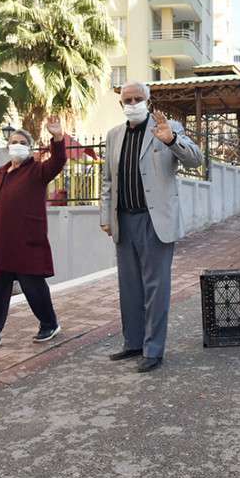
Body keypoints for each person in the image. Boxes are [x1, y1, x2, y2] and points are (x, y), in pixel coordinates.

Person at [101, 81, 203, 372]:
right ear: (121, 104)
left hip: (155, 220)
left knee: (156, 287)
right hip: (124, 220)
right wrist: (106, 217)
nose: (132, 103)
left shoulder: (167, 126)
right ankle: (133, 343)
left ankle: (153, 349)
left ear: (148, 99)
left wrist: (172, 140)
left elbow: (196, 160)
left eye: (137, 98)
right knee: (129, 287)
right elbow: (108, 180)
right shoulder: (113, 135)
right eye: (127, 99)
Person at [0, 117, 68, 353]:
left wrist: (57, 138)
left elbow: (58, 161)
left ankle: (49, 323)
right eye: (13, 141)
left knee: (33, 285)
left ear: (29, 147)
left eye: (22, 141)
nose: (16, 144)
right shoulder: (0, 173)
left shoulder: (37, 170)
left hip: (24, 241)